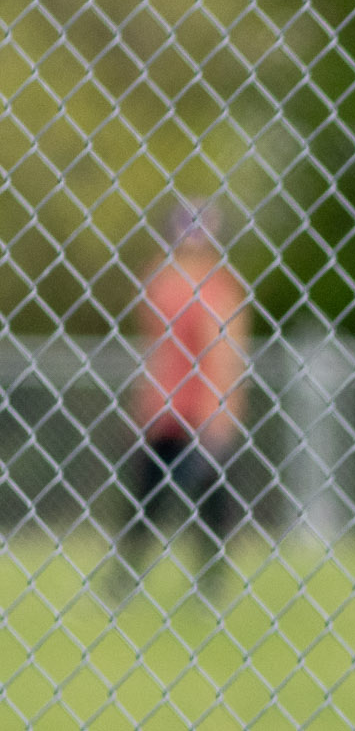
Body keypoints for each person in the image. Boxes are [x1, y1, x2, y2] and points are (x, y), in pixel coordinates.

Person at [111, 205, 250, 601]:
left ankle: (212, 583)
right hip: (164, 410)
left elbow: (225, 353)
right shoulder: (160, 280)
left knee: (211, 504)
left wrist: (222, 412)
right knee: (146, 500)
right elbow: (154, 349)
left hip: (202, 410)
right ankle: (123, 580)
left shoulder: (219, 286)